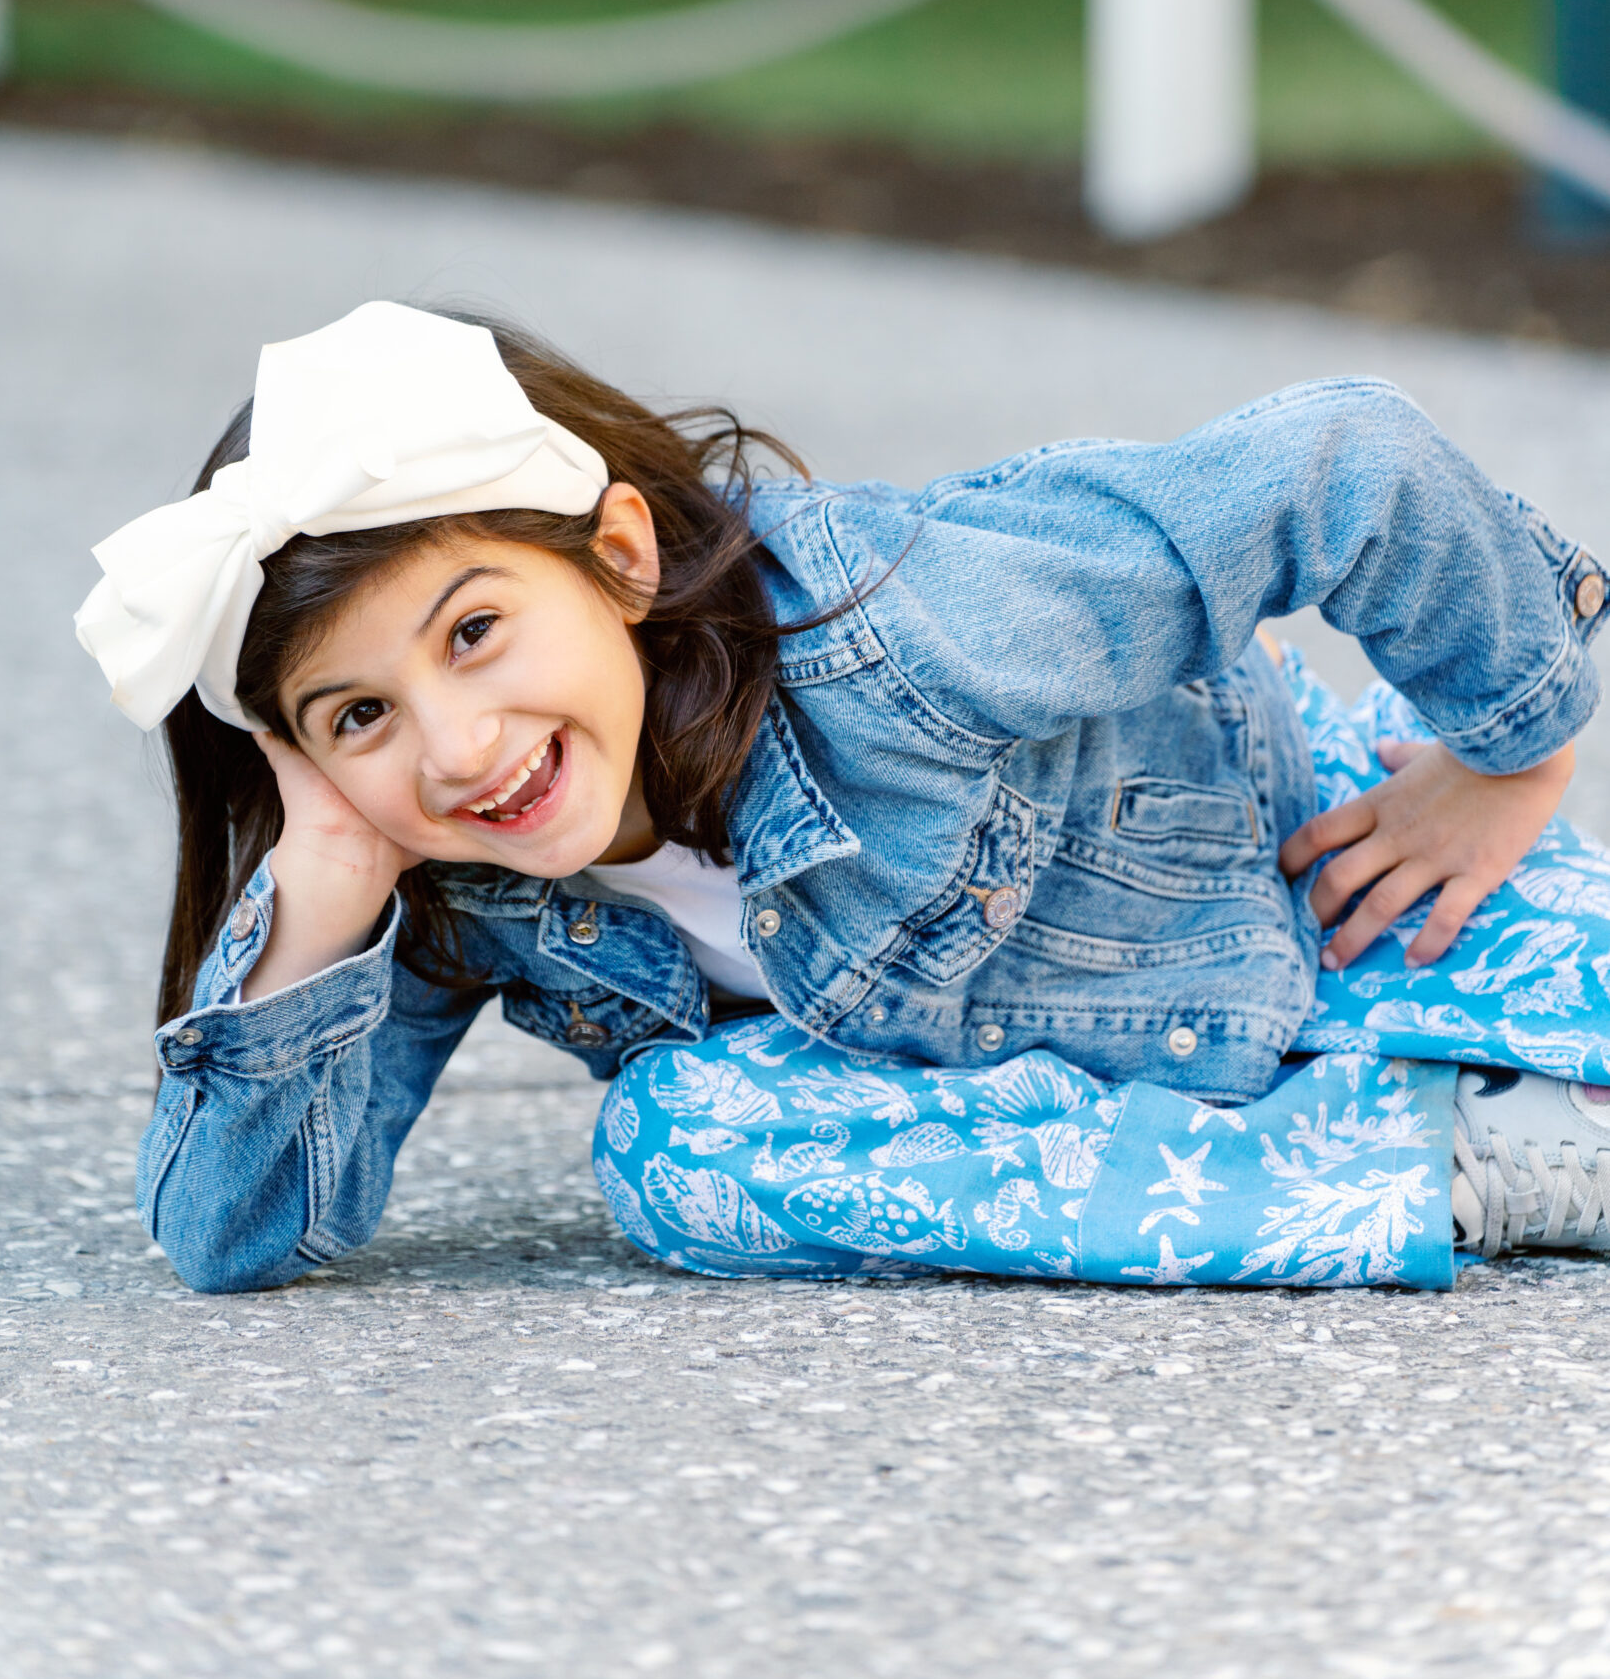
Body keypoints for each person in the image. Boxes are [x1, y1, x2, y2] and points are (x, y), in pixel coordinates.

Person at [77, 300, 1610, 1295]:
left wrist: (1509, 753)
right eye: (362, 714)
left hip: (1313, 865)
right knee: (676, 1154)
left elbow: (1342, 462)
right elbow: (234, 1235)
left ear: (619, 555)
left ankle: (1460, 1098)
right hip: (1135, 1114)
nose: (459, 747)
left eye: (474, 632)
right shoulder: (451, 879)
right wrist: (318, 904)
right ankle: (1437, 1168)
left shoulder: (905, 627)